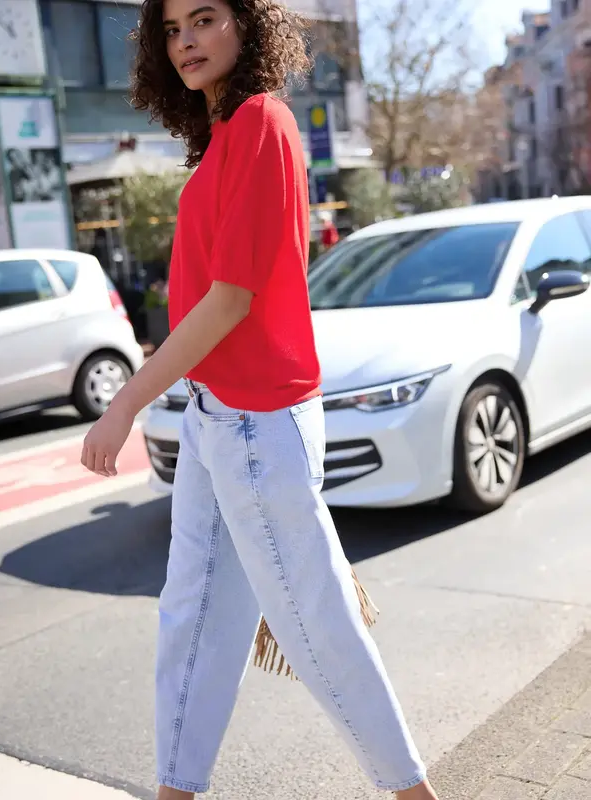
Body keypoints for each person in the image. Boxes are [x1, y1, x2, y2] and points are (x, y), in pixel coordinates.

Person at [81, 1, 441, 798]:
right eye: (172, 30)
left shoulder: (263, 124)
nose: (186, 42)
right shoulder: (217, 145)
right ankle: (177, 789)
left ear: (247, 26)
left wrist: (125, 402)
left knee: (319, 632)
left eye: (205, 19)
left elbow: (230, 300)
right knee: (194, 623)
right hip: (218, 420)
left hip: (257, 424)